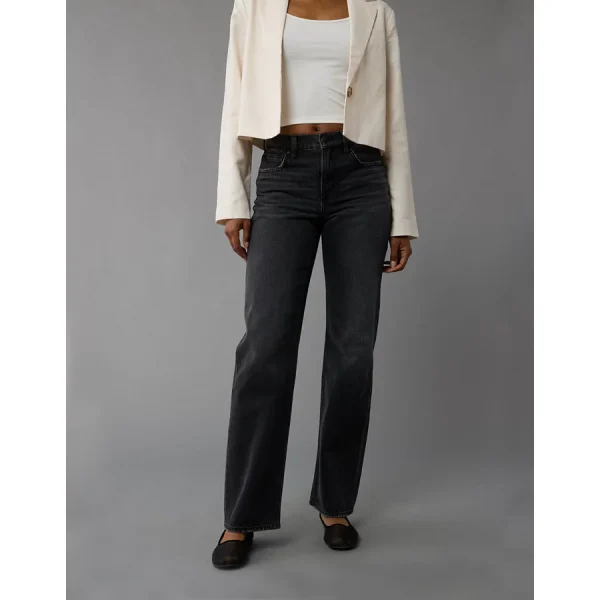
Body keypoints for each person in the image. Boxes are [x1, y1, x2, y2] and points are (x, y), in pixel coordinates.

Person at [212, 0, 419, 569]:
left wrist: (402, 215)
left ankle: (335, 504)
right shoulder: (253, 9)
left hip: (361, 179)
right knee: (265, 347)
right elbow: (235, 99)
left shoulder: (375, 12)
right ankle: (242, 514)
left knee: (353, 350)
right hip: (284, 173)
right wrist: (234, 198)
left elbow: (393, 114)